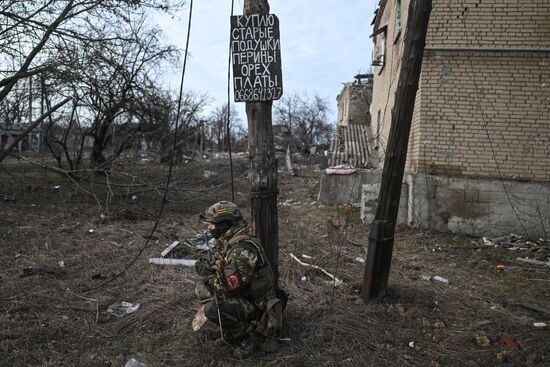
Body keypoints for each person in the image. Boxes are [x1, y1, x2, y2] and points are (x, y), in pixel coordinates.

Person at [191, 201, 282, 358]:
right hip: (247, 297)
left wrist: (208, 274)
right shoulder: (233, 240)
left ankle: (251, 335)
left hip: (258, 306)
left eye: (212, 224)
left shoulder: (242, 249)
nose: (209, 228)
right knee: (205, 291)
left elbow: (228, 287)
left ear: (225, 224)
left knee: (212, 307)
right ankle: (232, 333)